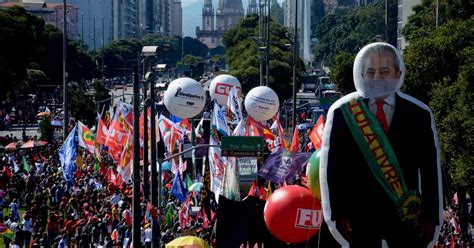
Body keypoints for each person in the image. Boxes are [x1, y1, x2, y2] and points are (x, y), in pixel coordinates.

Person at [320, 42, 442, 248]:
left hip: (406, 217)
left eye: (384, 72)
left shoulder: (419, 114)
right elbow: (333, 170)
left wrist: (431, 219)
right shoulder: (343, 112)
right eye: (371, 71)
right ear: (361, 74)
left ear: (398, 73)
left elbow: (431, 172)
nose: (377, 78)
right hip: (358, 216)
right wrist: (337, 214)